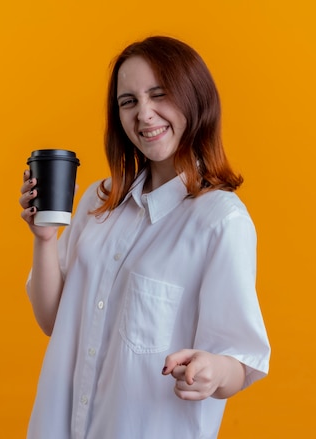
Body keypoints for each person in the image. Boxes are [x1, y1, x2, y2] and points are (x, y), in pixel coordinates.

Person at [19, 35, 270, 439]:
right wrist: (45, 239)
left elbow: (240, 359)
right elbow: (53, 321)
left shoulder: (220, 221)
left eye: (159, 95)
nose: (144, 114)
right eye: (128, 102)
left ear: (195, 99)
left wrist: (211, 371)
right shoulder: (97, 203)